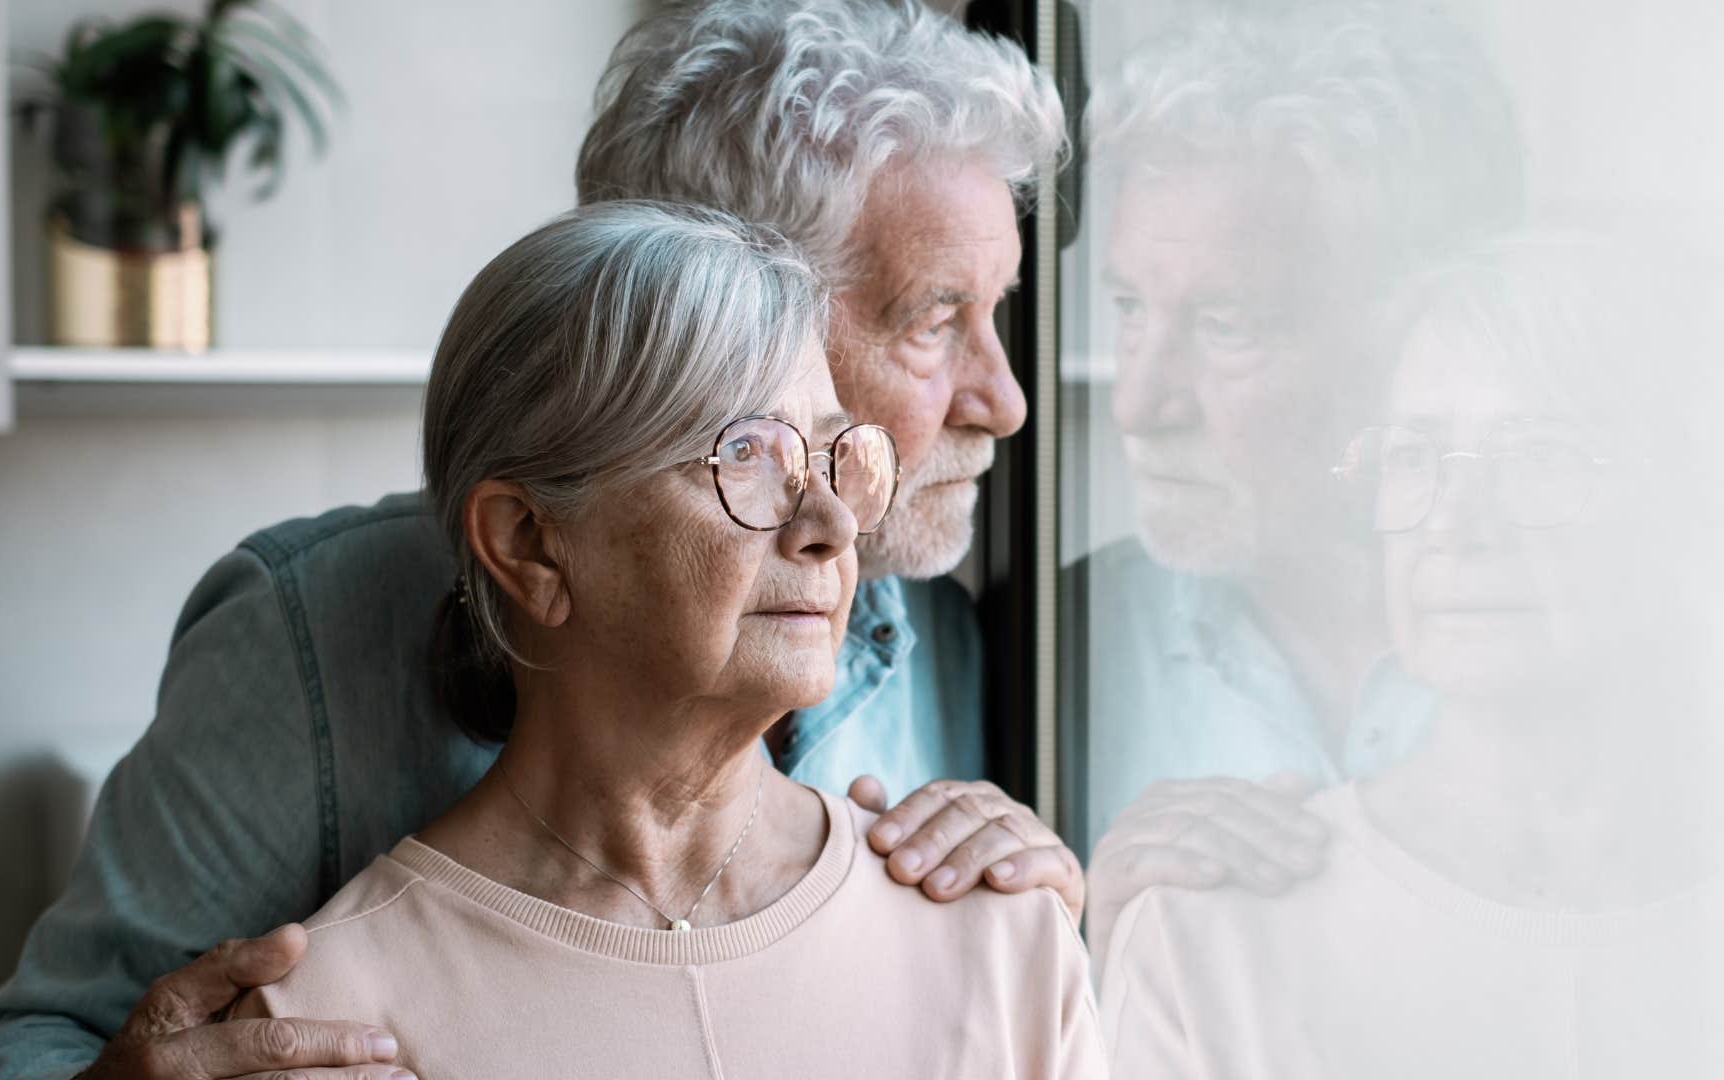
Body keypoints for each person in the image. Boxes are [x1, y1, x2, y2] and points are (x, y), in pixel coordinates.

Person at [0, 4, 1077, 1079]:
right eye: (936, 320)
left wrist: (1030, 913)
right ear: (703, 290)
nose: (1006, 397)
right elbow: (48, 1041)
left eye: (999, 312)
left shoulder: (942, 627)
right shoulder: (314, 636)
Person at [230, 200, 1105, 1079]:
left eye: (837, 457)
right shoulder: (327, 1022)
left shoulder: (1004, 941)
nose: (832, 524)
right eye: (746, 456)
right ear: (529, 544)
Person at [1096, 234, 1724, 1077]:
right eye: (1415, 457)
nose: (1458, 528)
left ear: (1676, 506)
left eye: (1540, 456)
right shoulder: (1209, 938)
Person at [1066, 0, 1528, 958]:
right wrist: (1085, 969)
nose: (1142, 404)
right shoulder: (1062, 649)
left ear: (1412, 339)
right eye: (1129, 308)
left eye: (1228, 326)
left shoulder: (1586, 646)